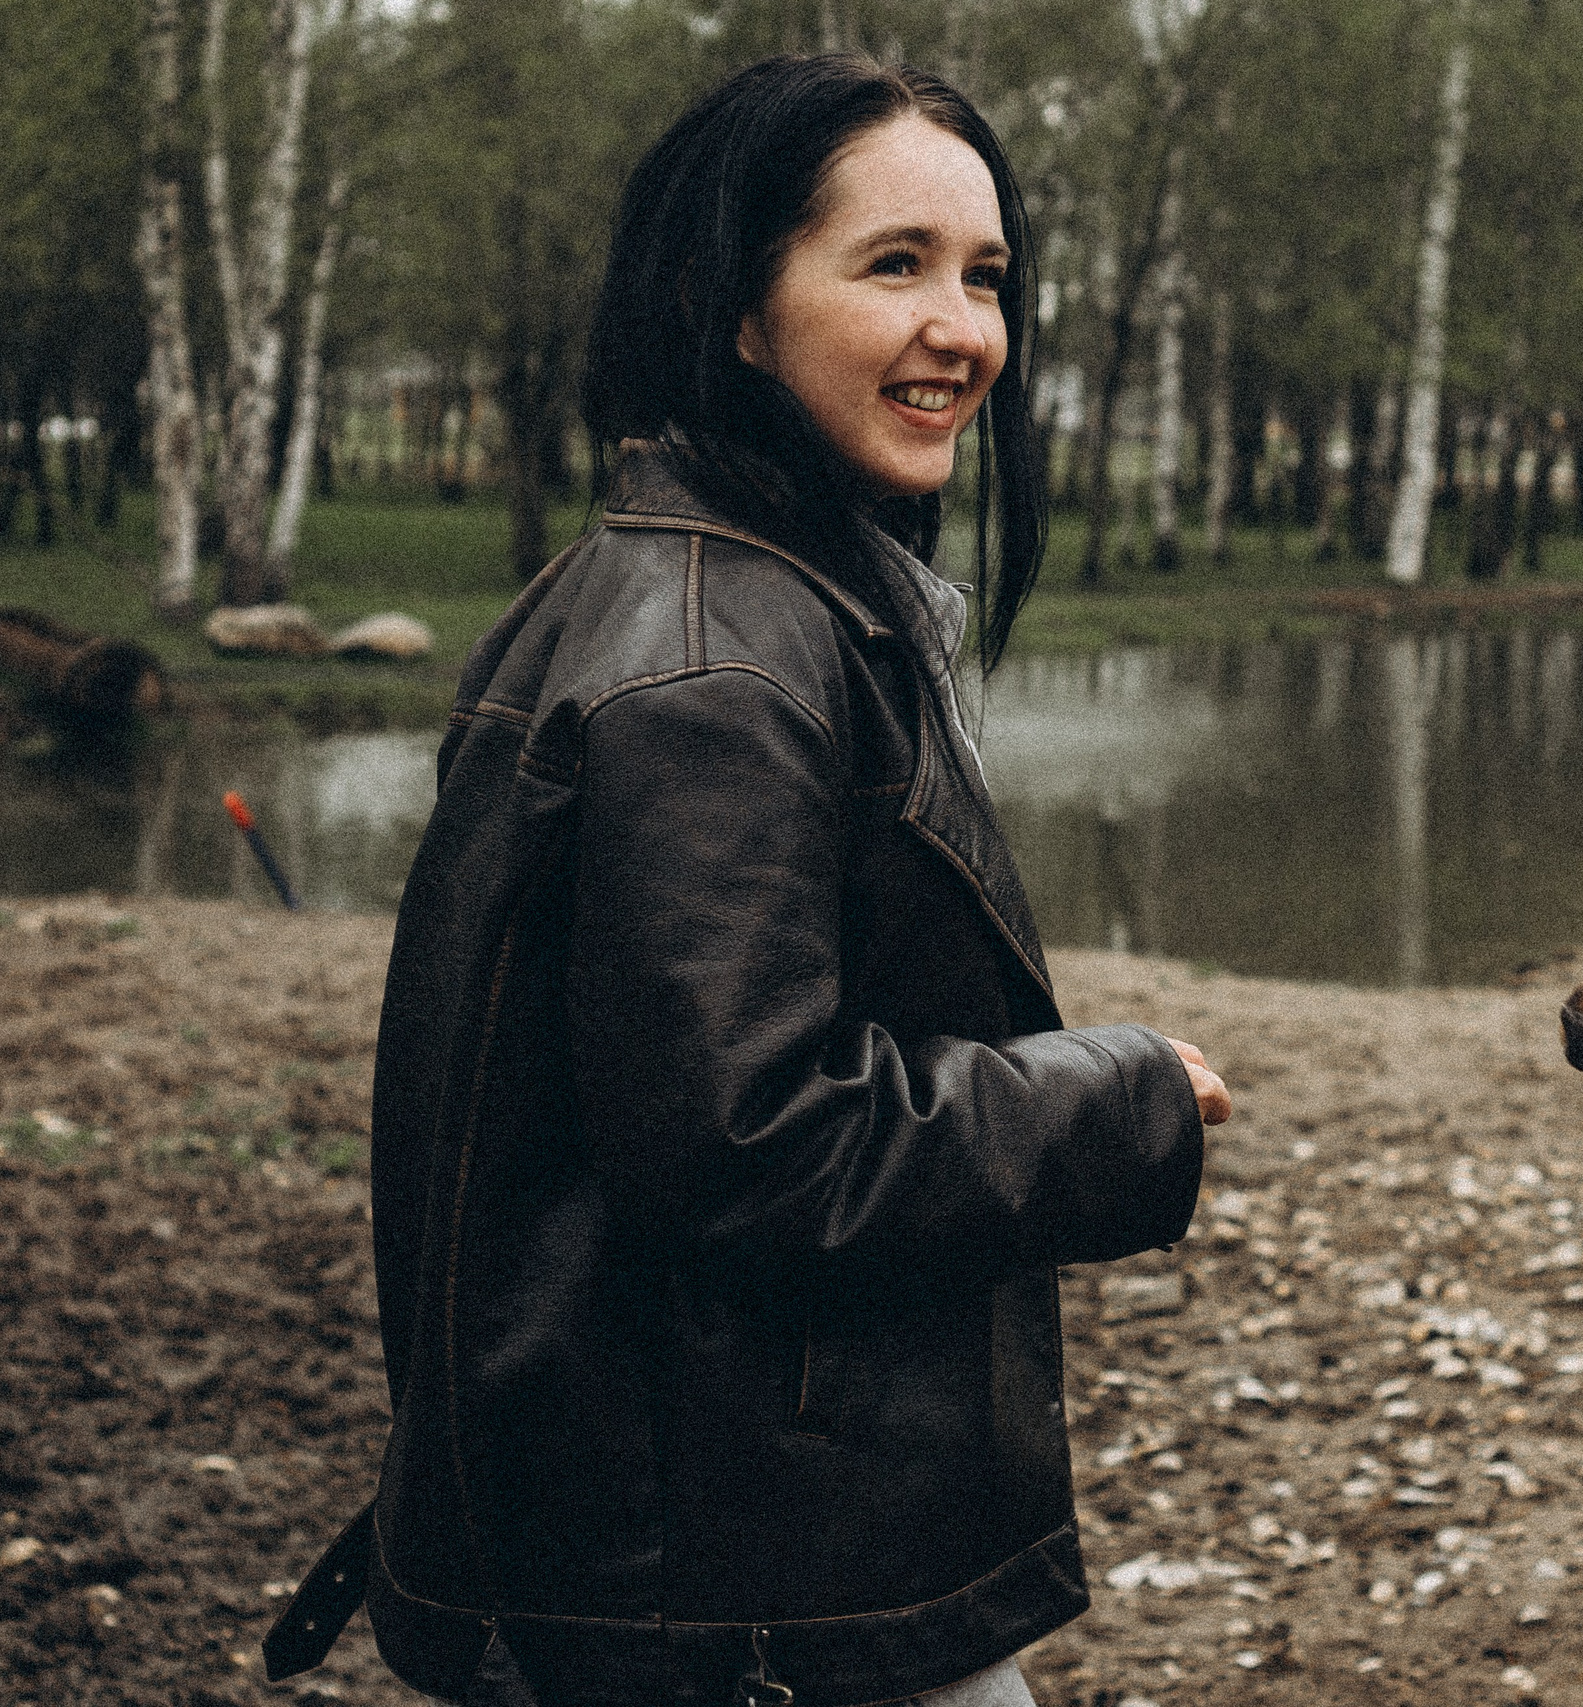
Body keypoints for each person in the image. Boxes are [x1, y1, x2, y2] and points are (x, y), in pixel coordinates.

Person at [262, 55, 1229, 1707]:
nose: (964, 329)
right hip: (720, 1601)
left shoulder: (726, 594)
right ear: (731, 309)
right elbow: (752, 1143)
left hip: (716, 1554)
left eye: (986, 275)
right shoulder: (718, 665)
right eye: (894, 264)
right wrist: (1116, 1104)